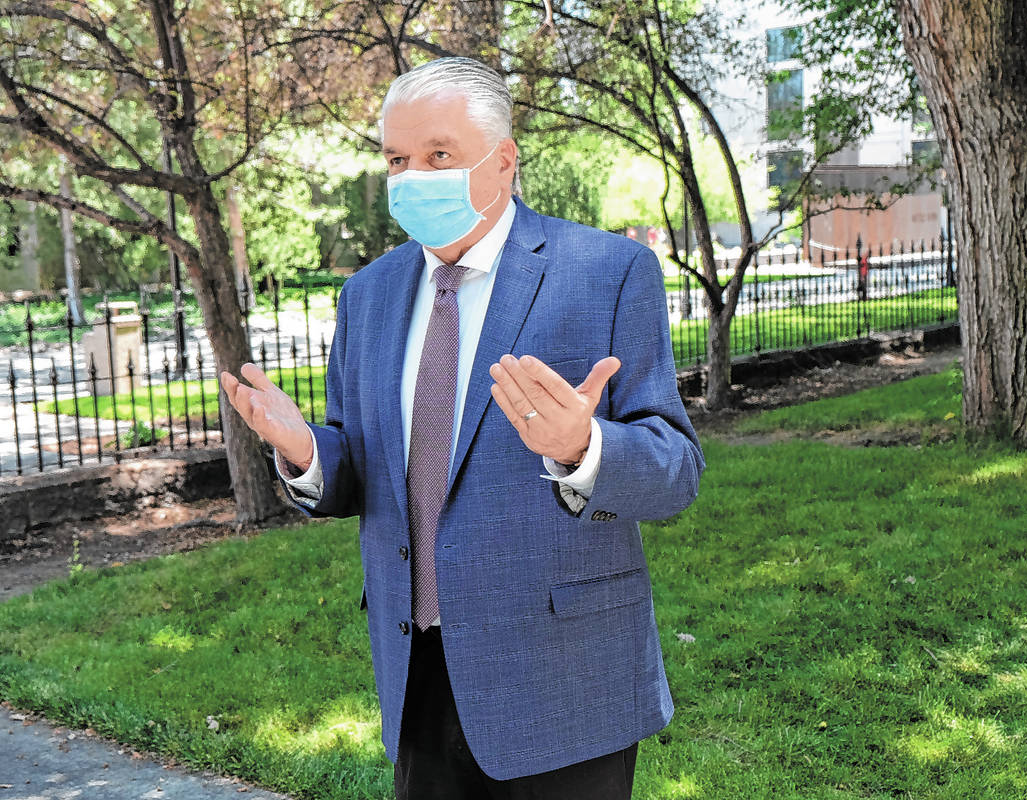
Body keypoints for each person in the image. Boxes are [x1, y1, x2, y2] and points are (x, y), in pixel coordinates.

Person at [219, 56, 704, 800]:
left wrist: (586, 448)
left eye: (437, 155)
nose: (413, 177)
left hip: (564, 679)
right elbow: (361, 470)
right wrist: (307, 450)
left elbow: (676, 472)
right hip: (417, 675)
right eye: (397, 160)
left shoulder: (608, 271)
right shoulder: (367, 296)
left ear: (503, 161)